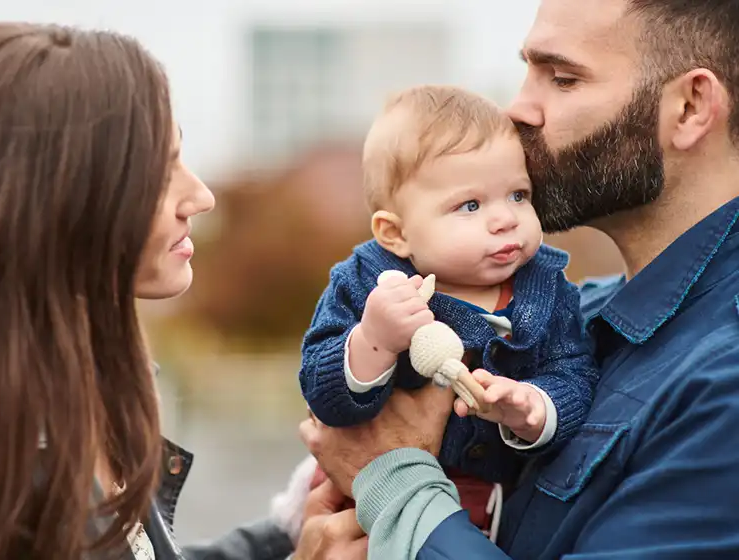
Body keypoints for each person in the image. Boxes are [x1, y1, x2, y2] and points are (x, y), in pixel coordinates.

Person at [297, 0, 739, 557]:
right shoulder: (588, 314)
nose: (518, 109)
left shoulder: (724, 378)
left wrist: (392, 481)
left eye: (562, 77)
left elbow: (383, 466)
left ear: (691, 107)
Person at [0, 21, 307, 560]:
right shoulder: (4, 483)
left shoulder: (56, 400)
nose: (201, 196)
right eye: (161, 170)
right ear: (63, 197)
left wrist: (285, 537)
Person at [298, 84, 598, 532]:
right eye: (470, 205)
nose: (505, 218)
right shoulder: (367, 283)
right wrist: (372, 342)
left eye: (518, 194)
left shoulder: (547, 290)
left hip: (489, 513)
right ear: (395, 234)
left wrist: (536, 406)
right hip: (356, 500)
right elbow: (322, 393)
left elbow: (574, 370)